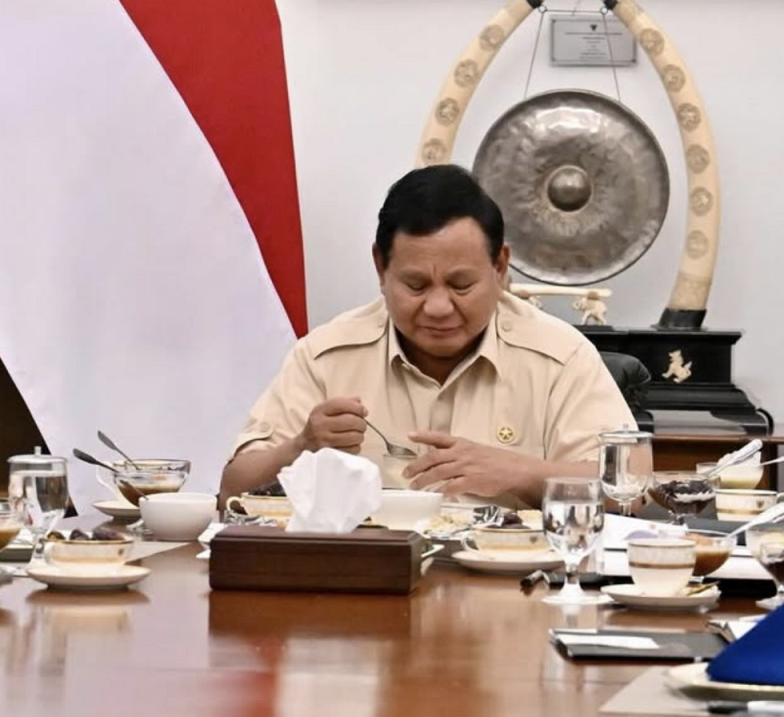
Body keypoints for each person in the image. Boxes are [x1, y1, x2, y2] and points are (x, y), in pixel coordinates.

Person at [221, 165, 633, 508]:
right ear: (381, 268)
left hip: (513, 594)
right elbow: (232, 490)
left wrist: (520, 472)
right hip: (365, 587)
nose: (438, 307)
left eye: (461, 285)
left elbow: (631, 485)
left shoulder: (559, 355)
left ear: (501, 266)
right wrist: (301, 446)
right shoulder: (326, 356)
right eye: (416, 285)